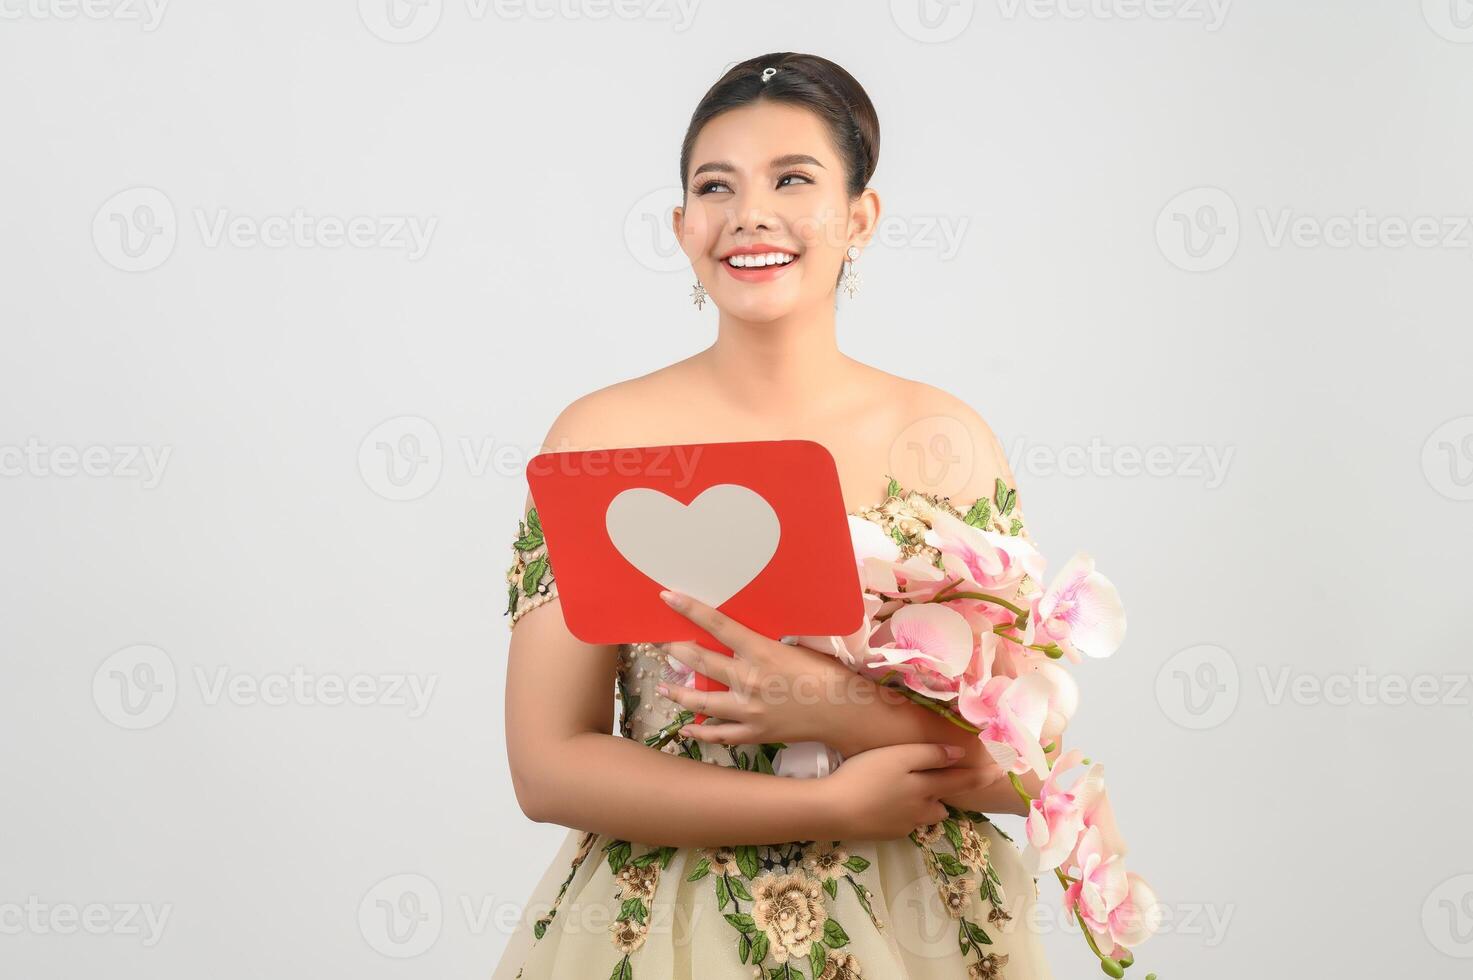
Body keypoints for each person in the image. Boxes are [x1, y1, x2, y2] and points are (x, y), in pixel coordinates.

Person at [494, 52, 1062, 980]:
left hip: (916, 925)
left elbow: (1025, 761)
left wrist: (837, 708)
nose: (749, 213)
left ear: (858, 216)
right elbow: (548, 763)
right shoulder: (604, 438)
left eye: (792, 179)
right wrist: (824, 810)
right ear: (681, 227)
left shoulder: (941, 437)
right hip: (674, 926)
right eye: (715, 186)